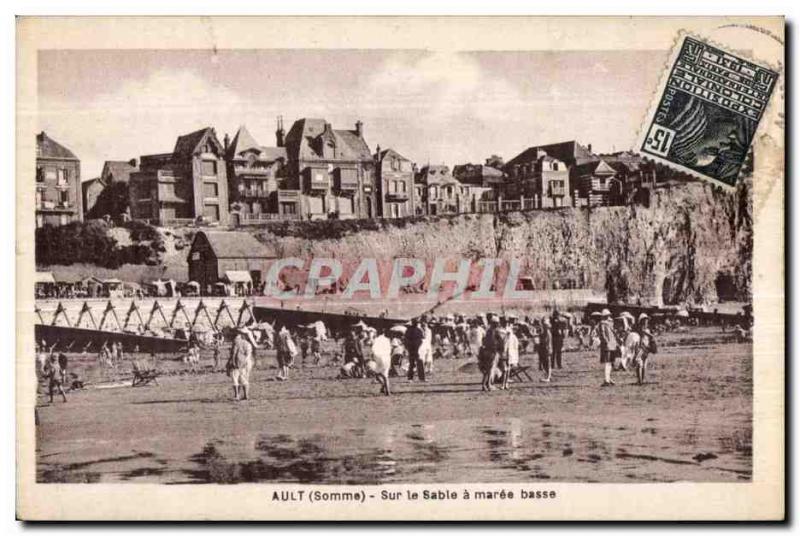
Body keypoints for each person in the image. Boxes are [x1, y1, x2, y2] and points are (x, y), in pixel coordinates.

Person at [480, 315, 505, 391]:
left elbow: (484, 340)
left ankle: (485, 385)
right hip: (492, 351)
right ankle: (489, 385)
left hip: (486, 351)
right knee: (490, 369)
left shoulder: (488, 331)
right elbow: (501, 341)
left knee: (487, 370)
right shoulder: (496, 331)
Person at [227, 329, 254, 401]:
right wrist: (245, 361)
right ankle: (246, 395)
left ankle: (237, 395)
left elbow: (233, 355)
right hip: (245, 363)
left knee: (235, 379)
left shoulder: (235, 343)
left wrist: (230, 363)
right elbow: (248, 354)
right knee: (244, 379)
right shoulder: (247, 343)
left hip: (236, 363)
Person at [633, 313, 658, 385]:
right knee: (640, 364)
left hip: (645, 348)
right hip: (640, 348)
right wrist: (651, 336)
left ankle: (641, 380)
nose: (646, 321)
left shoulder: (646, 329)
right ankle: (640, 380)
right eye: (645, 320)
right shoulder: (640, 329)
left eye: (646, 320)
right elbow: (646, 335)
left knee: (644, 365)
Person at [598, 309, 618, 386]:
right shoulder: (603, 323)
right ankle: (607, 379)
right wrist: (606, 341)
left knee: (610, 362)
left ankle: (608, 378)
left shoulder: (608, 323)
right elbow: (602, 334)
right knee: (608, 362)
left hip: (611, 344)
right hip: (608, 344)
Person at [368, 330, 393, 396]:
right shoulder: (387, 340)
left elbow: (373, 349)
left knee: (377, 373)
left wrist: (372, 357)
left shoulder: (376, 340)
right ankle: (387, 391)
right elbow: (390, 349)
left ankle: (383, 385)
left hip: (379, 357)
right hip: (387, 358)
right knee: (385, 375)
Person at [501, 320, 520, 390]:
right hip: (505, 353)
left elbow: (515, 346)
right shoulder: (504, 333)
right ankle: (504, 384)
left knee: (507, 369)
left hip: (509, 353)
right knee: (505, 369)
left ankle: (506, 383)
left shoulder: (512, 336)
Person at [539, 317, 553, 383]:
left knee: (547, 363)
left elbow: (545, 342)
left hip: (546, 349)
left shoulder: (547, 333)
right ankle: (547, 376)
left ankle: (548, 377)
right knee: (545, 363)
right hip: (545, 349)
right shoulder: (544, 332)